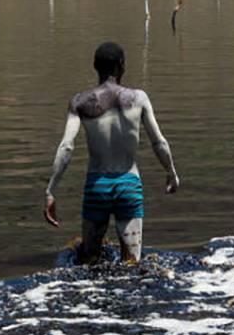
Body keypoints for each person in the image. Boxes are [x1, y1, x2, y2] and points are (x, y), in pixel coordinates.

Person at [44, 41, 180, 264]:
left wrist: (51, 190)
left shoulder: (80, 102)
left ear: (94, 66)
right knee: (132, 264)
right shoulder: (139, 98)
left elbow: (66, 147)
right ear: (121, 66)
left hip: (97, 186)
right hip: (129, 185)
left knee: (89, 261)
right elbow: (159, 142)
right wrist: (171, 173)